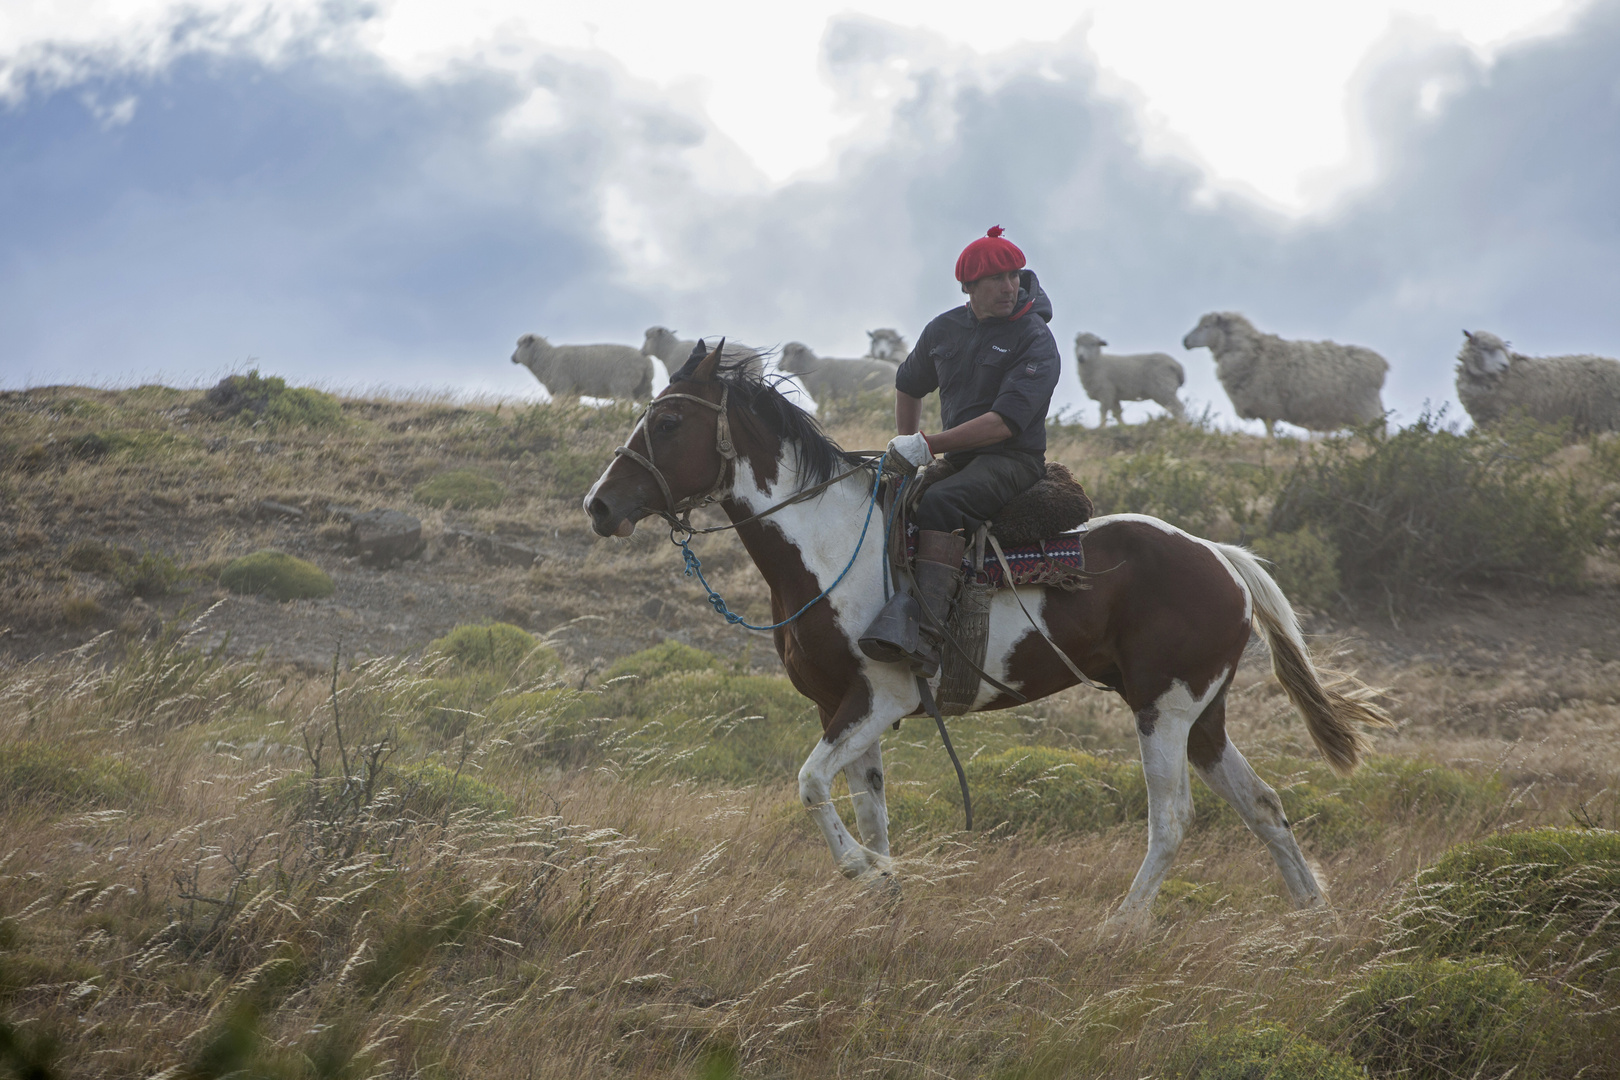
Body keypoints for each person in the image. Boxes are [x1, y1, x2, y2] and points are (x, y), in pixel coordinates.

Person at [859, 225, 1061, 675]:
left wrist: (927, 445)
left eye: (1014, 276)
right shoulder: (944, 329)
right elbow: (908, 385)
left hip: (1013, 460)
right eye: (996, 279)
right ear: (968, 287)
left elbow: (1003, 424)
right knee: (883, 498)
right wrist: (905, 452)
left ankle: (927, 635)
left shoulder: (1034, 338)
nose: (1009, 287)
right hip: (959, 458)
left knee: (942, 502)